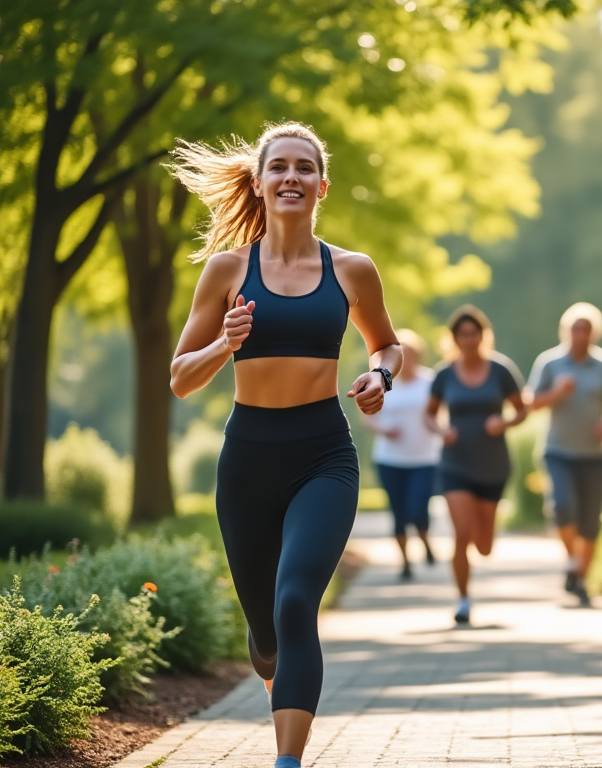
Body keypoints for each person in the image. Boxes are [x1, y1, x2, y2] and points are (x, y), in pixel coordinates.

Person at [168, 122, 402, 768]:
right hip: (248, 458)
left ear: (322, 185)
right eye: (279, 168)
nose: (291, 177)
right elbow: (180, 379)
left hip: (323, 453)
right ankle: (270, 656)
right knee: (266, 635)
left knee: (296, 597)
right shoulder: (226, 271)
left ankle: (288, 761)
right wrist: (225, 342)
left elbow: (387, 343)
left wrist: (380, 375)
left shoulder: (352, 269)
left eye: (304, 168)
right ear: (260, 182)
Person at [425, 306, 527, 624]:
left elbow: (522, 410)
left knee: (483, 546)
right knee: (462, 534)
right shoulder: (444, 374)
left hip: (493, 464)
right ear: (454, 338)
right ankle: (463, 600)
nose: (468, 339)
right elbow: (428, 414)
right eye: (462, 334)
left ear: (482, 336)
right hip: (455, 463)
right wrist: (442, 430)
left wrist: (504, 422)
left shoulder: (501, 370)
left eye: (474, 333)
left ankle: (480, 551)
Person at [527, 302, 602, 608]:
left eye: (586, 329)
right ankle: (571, 560)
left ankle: (580, 578)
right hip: (558, 451)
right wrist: (555, 393)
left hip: (594, 454)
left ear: (594, 333)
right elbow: (531, 404)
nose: (580, 334)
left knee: (590, 522)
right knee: (562, 507)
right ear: (566, 331)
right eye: (575, 329)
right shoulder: (550, 363)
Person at [362, 328, 440, 581]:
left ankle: (425, 539)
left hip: (424, 459)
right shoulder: (383, 383)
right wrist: (383, 429)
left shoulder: (430, 383)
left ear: (418, 356)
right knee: (399, 513)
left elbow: (440, 412)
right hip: (390, 460)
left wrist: (440, 429)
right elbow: (368, 416)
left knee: (418, 509)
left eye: (412, 355)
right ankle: (405, 562)